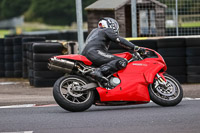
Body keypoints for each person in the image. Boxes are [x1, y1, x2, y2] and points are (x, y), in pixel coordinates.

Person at [81, 17, 145, 83]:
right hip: (94, 52)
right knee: (121, 61)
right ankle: (98, 71)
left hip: (85, 54)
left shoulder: (94, 31)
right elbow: (120, 40)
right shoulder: (107, 30)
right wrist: (136, 48)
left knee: (109, 62)